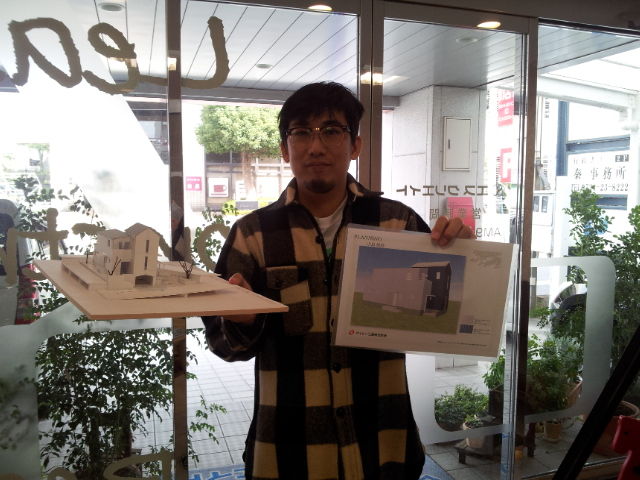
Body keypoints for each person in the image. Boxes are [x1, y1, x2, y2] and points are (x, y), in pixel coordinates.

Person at [202, 82, 475, 480]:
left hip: (383, 441)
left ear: (355, 145)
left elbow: (451, 317)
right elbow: (223, 344)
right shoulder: (253, 234)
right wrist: (242, 320)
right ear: (285, 149)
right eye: (301, 132)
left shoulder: (395, 223)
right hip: (288, 447)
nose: (316, 146)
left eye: (331, 131)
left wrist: (463, 258)